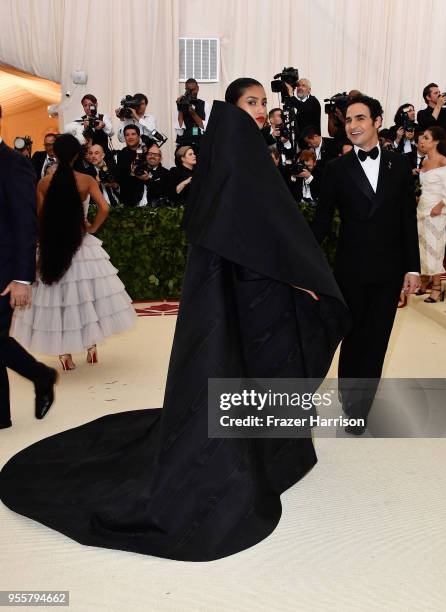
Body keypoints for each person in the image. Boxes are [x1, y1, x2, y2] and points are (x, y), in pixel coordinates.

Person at [0, 79, 349, 562]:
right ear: (229, 109)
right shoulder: (230, 169)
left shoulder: (244, 165)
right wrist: (293, 279)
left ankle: (272, 448)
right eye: (252, 102)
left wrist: (294, 279)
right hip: (245, 299)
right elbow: (239, 237)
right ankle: (244, 455)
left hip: (260, 297)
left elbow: (266, 233)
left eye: (263, 103)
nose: (261, 110)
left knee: (264, 370)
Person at [311, 95, 421, 434]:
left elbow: (407, 220)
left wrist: (412, 268)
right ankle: (350, 399)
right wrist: (301, 264)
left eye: (360, 118)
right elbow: (323, 223)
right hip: (350, 269)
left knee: (376, 341)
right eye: (348, 120)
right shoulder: (336, 169)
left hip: (388, 272)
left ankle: (361, 408)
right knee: (353, 337)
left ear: (376, 121)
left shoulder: (399, 165)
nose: (353, 125)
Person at [11, 134, 137, 371]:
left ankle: (64, 353)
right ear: (77, 154)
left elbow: (40, 218)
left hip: (52, 246)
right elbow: (104, 207)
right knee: (87, 296)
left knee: (58, 299)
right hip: (81, 243)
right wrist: (93, 227)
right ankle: (91, 347)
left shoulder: (44, 183)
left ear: (55, 153)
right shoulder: (87, 180)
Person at [0, 105, 58, 429]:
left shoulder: (15, 165)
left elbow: (25, 223)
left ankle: (42, 375)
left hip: (5, 270)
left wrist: (23, 277)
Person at [416, 126, 446, 302]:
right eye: (422, 138)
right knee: (422, 249)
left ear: (435, 141)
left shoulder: (444, 162)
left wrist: (441, 205)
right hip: (422, 211)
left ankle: (437, 287)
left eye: (426, 138)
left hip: (437, 213)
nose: (422, 140)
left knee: (435, 249)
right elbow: (426, 187)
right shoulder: (425, 161)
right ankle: (424, 282)